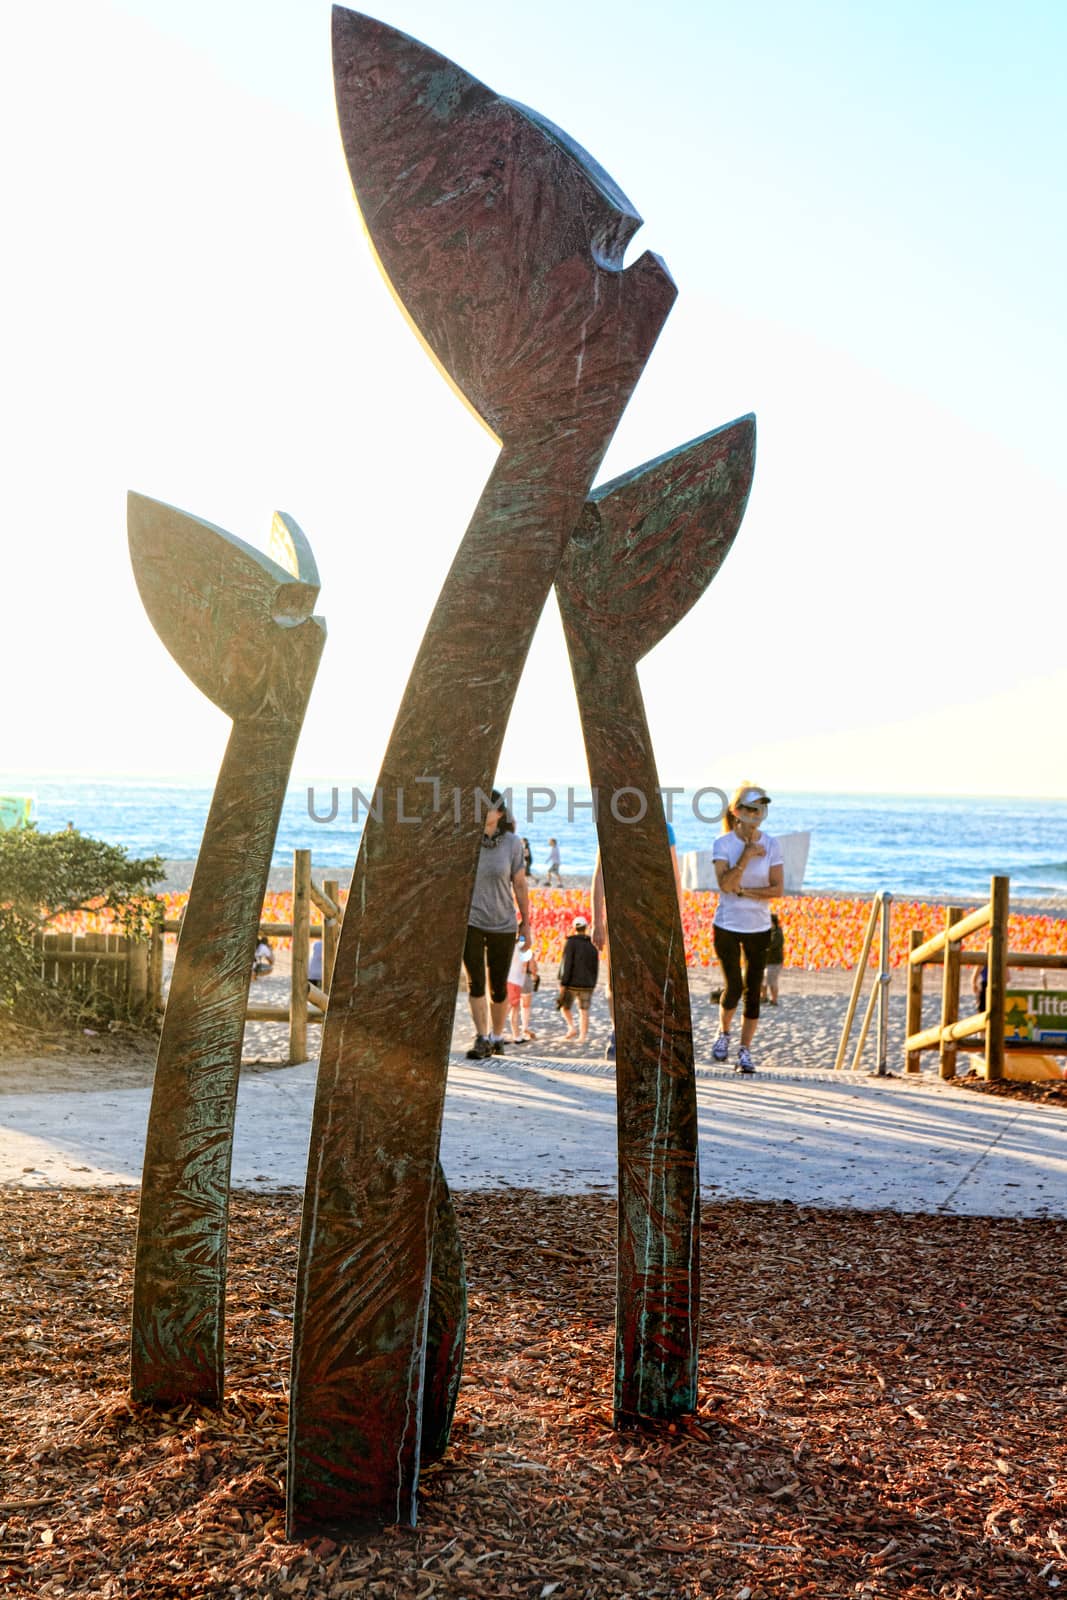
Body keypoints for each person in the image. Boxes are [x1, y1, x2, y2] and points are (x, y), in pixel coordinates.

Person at [592, 818, 683, 1061]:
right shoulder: (611, 825)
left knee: (650, 978)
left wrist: (678, 919)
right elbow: (600, 875)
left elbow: (674, 876)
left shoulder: (663, 828)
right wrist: (596, 921)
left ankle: (646, 1033)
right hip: (618, 914)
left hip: (653, 916)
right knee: (615, 980)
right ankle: (617, 1030)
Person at [710, 784, 783, 1074]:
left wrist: (746, 893)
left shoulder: (773, 845)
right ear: (736, 811)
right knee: (734, 987)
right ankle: (723, 1033)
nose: (756, 814)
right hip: (727, 925)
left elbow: (777, 889)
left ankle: (745, 1051)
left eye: (760, 809)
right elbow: (725, 885)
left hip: (759, 927)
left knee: (754, 990)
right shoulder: (723, 844)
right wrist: (747, 855)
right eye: (750, 808)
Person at [463, 790, 531, 1059]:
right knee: (475, 981)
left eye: (486, 807)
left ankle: (497, 1036)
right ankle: (481, 1037)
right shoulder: (468, 841)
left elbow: (521, 884)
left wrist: (527, 922)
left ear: (499, 813)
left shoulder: (513, 844)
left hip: (503, 922)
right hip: (472, 921)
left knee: (499, 985)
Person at [557, 914, 599, 1043]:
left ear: (574, 928)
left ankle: (572, 1028)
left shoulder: (571, 942)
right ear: (586, 928)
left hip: (572, 983)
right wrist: (593, 982)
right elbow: (595, 966)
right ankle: (582, 1037)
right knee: (584, 1010)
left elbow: (567, 963)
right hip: (588, 984)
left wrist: (563, 982)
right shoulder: (592, 944)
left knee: (564, 1007)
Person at [505, 930, 539, 1042]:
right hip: (520, 981)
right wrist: (535, 976)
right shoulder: (525, 949)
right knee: (521, 1006)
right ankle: (521, 1031)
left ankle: (512, 1034)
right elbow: (531, 967)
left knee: (510, 1006)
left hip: (508, 979)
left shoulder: (510, 946)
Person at [761, 913, 785, 1005]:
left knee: (771, 981)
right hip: (766, 960)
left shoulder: (777, 933)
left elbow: (773, 944)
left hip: (775, 962)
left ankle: (774, 1000)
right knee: (762, 980)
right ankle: (763, 997)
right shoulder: (768, 931)